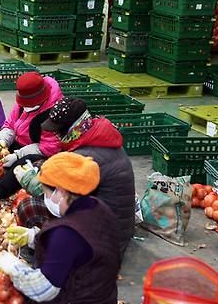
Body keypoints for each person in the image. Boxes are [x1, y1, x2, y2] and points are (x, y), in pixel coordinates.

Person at [0, 152, 123, 304]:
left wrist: (14, 267)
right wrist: (33, 237)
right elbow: (78, 251)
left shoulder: (66, 233)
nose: (46, 198)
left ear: (60, 192)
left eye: (46, 192)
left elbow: (44, 290)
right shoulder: (100, 209)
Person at [14, 97, 135, 254]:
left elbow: (63, 197)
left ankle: (44, 249)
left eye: (58, 131)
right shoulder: (97, 135)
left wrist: (29, 180)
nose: (56, 135)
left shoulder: (87, 158)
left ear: (72, 127)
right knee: (41, 164)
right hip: (113, 223)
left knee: (28, 207)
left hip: (103, 240)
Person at [0, 72, 63, 212]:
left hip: (35, 153)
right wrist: (2, 139)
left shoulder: (53, 113)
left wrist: (18, 155)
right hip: (16, 144)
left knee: (24, 161)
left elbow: (49, 148)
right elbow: (10, 124)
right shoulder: (23, 103)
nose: (25, 107)